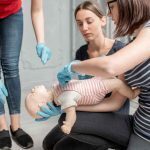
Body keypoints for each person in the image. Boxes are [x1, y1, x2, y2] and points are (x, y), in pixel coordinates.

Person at [55, 0, 150, 150]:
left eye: (111, 7)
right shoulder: (132, 43)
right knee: (63, 125)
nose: (109, 13)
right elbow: (109, 99)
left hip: (142, 131)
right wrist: (67, 105)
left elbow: (109, 66)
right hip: (138, 123)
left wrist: (73, 66)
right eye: (80, 23)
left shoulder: (127, 46)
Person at [0, 0, 51, 149]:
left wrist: (41, 42)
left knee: (11, 66)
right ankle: (1, 127)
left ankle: (16, 127)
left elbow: (37, 10)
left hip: (12, 13)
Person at [25, 77, 139, 134]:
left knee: (112, 77)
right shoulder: (63, 99)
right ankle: (132, 94)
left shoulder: (56, 89)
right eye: (32, 93)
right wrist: (68, 125)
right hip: (95, 90)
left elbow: (73, 82)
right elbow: (72, 113)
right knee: (117, 83)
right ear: (41, 104)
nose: (32, 89)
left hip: (92, 81)